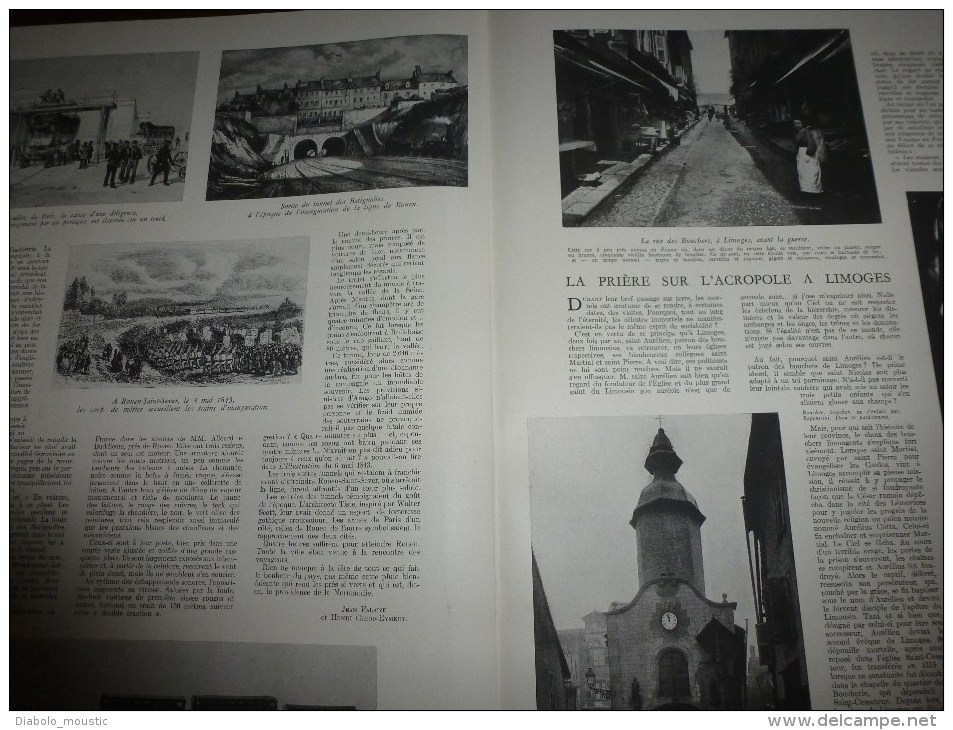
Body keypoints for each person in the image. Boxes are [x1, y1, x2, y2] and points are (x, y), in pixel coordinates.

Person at [793, 118, 825, 195]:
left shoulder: (806, 131)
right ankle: (806, 190)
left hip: (808, 154)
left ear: (803, 124)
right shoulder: (799, 132)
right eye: (795, 124)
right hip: (802, 153)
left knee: (811, 172)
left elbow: (812, 144)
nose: (797, 125)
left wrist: (808, 155)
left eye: (799, 123)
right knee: (803, 173)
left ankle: (813, 192)